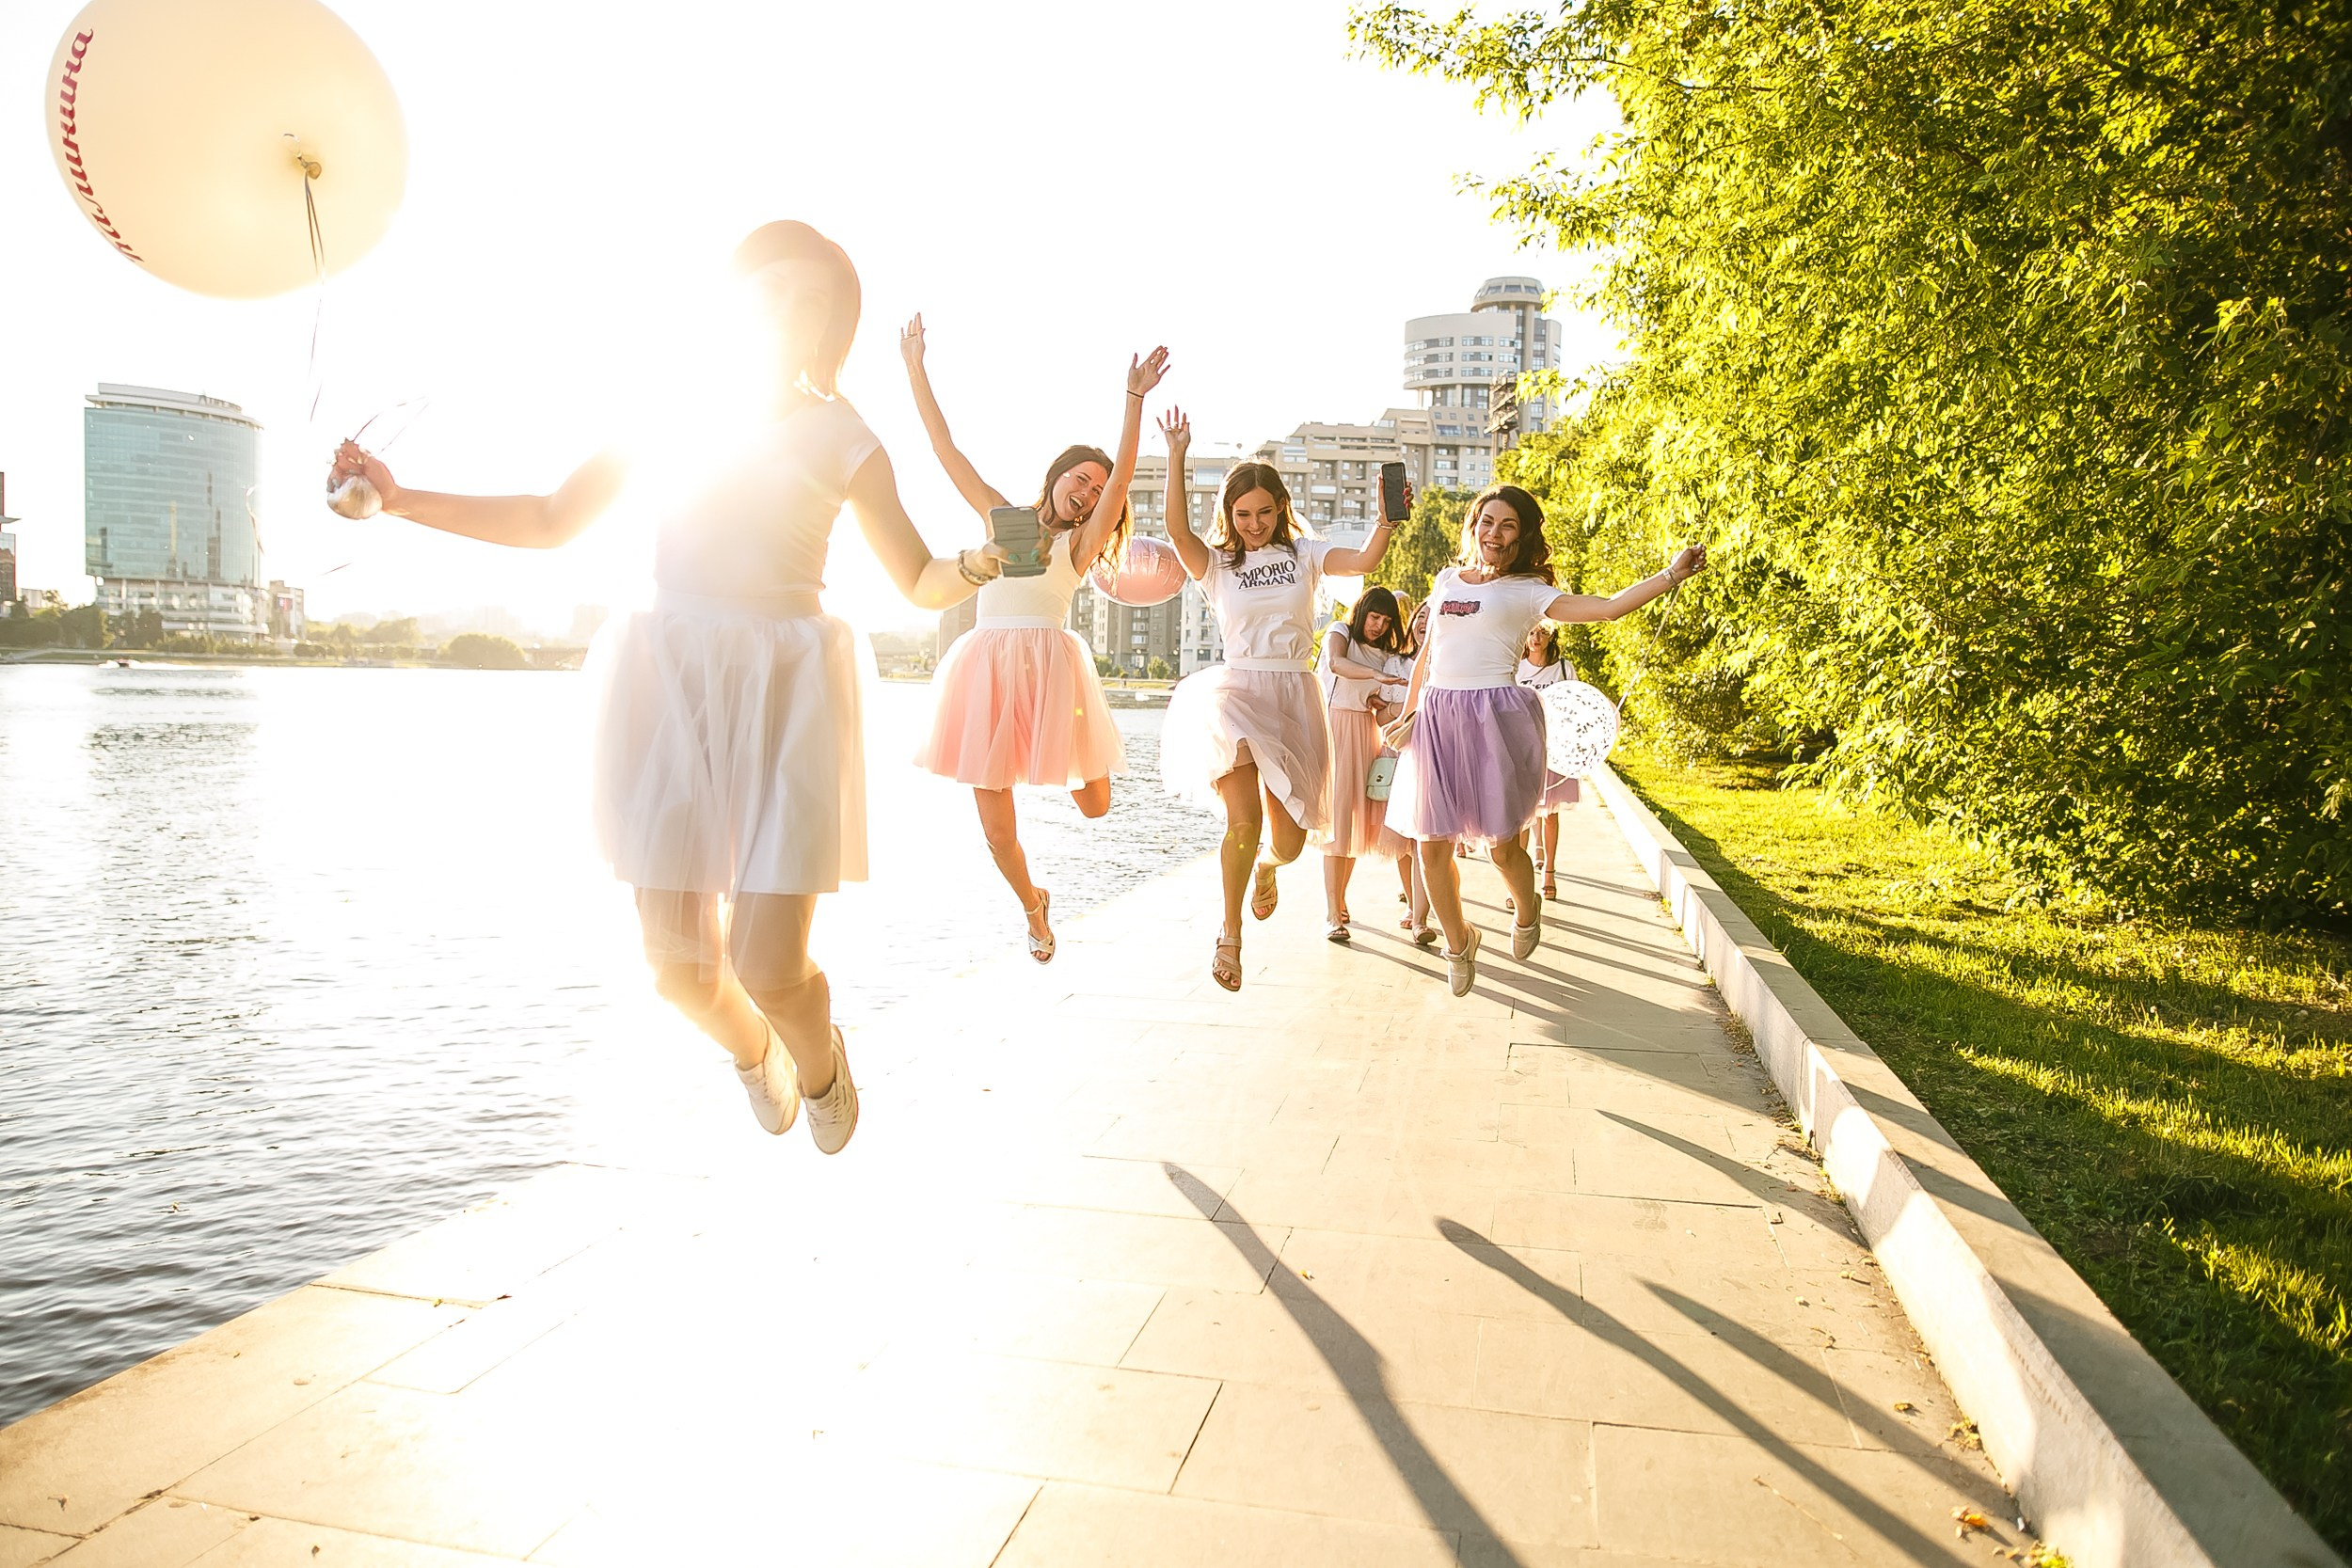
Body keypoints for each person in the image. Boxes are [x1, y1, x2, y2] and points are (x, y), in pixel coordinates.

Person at [327, 220, 1007, 1150]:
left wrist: (975, 564)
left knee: (768, 963)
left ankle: (820, 1062)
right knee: (678, 971)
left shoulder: (846, 435)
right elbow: (548, 516)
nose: (787, 309)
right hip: (671, 686)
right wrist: (402, 500)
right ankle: (751, 1052)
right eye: (770, 289)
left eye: (813, 301)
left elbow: (919, 576)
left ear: (831, 331)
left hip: (788, 692)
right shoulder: (669, 411)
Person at [900, 313, 1169, 961]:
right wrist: (915, 368)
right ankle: (1033, 904)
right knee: (997, 831)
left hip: (1052, 677)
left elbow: (1126, 476)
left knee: (1097, 805)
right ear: (1057, 474)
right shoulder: (1007, 518)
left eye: (1096, 491)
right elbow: (946, 452)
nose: (1086, 492)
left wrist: (1132, 402)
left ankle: (1044, 874)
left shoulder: (1080, 547)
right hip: (986, 674)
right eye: (1079, 478)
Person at [1382, 485, 1706, 996]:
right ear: (1473, 525)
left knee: (1503, 848)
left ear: (1523, 535)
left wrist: (1671, 574)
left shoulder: (1528, 592)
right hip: (1438, 720)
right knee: (1430, 845)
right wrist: (1409, 715)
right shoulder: (1446, 580)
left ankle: (1528, 911)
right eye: (1487, 521)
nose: (1494, 533)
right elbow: (1427, 655)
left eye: (1507, 525)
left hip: (1493, 719)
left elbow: (1607, 609)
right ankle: (1458, 942)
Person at [1158, 409, 1400, 990]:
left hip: (1294, 695)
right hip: (1238, 693)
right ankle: (1229, 934)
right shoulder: (1218, 564)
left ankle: (1269, 868)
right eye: (1243, 514)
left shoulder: (1307, 555)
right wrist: (1176, 455)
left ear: (1281, 509)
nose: (1255, 524)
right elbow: (1176, 532)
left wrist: (1387, 520)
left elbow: (1365, 562)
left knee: (1288, 843)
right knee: (1242, 822)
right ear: (1230, 515)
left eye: (1265, 512)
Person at [1316, 585, 1418, 943]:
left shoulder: (1385, 655)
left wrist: (1389, 698)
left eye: (1386, 620)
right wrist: (1376, 677)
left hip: (1365, 731)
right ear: (1362, 612)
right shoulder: (1340, 633)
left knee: (1356, 821)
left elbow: (1378, 703)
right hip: (1335, 727)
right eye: (1374, 616)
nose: (1378, 625)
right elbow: (1335, 664)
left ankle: (1340, 901)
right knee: (1337, 821)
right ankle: (1332, 913)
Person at [1516, 623, 1579, 903]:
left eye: (1542, 632)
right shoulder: (1516, 668)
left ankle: (1549, 872)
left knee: (1550, 813)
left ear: (1551, 635)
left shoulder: (1563, 668)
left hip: (1555, 746)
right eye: (1531, 632)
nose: (1536, 637)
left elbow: (1576, 703)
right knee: (1522, 817)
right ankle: (1519, 884)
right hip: (1521, 746)